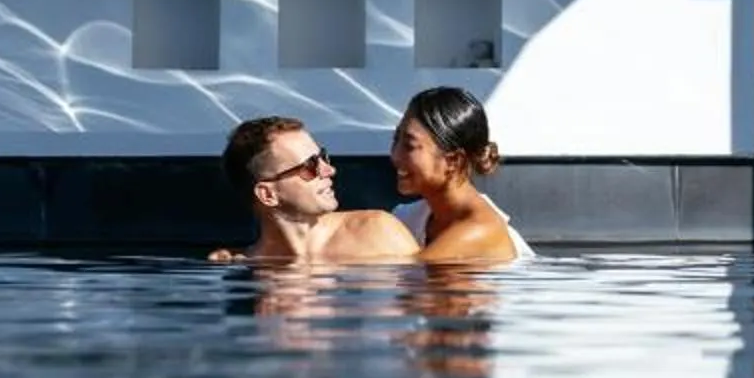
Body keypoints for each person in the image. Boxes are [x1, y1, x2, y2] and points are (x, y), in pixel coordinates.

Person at [214, 114, 420, 263]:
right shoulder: (243, 264)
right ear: (267, 194)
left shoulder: (377, 232)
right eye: (310, 166)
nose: (329, 170)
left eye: (323, 157)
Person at [388, 85, 535, 264]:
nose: (395, 155)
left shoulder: (482, 229)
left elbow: (402, 272)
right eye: (396, 139)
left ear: (454, 160)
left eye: (409, 146)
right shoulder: (407, 217)